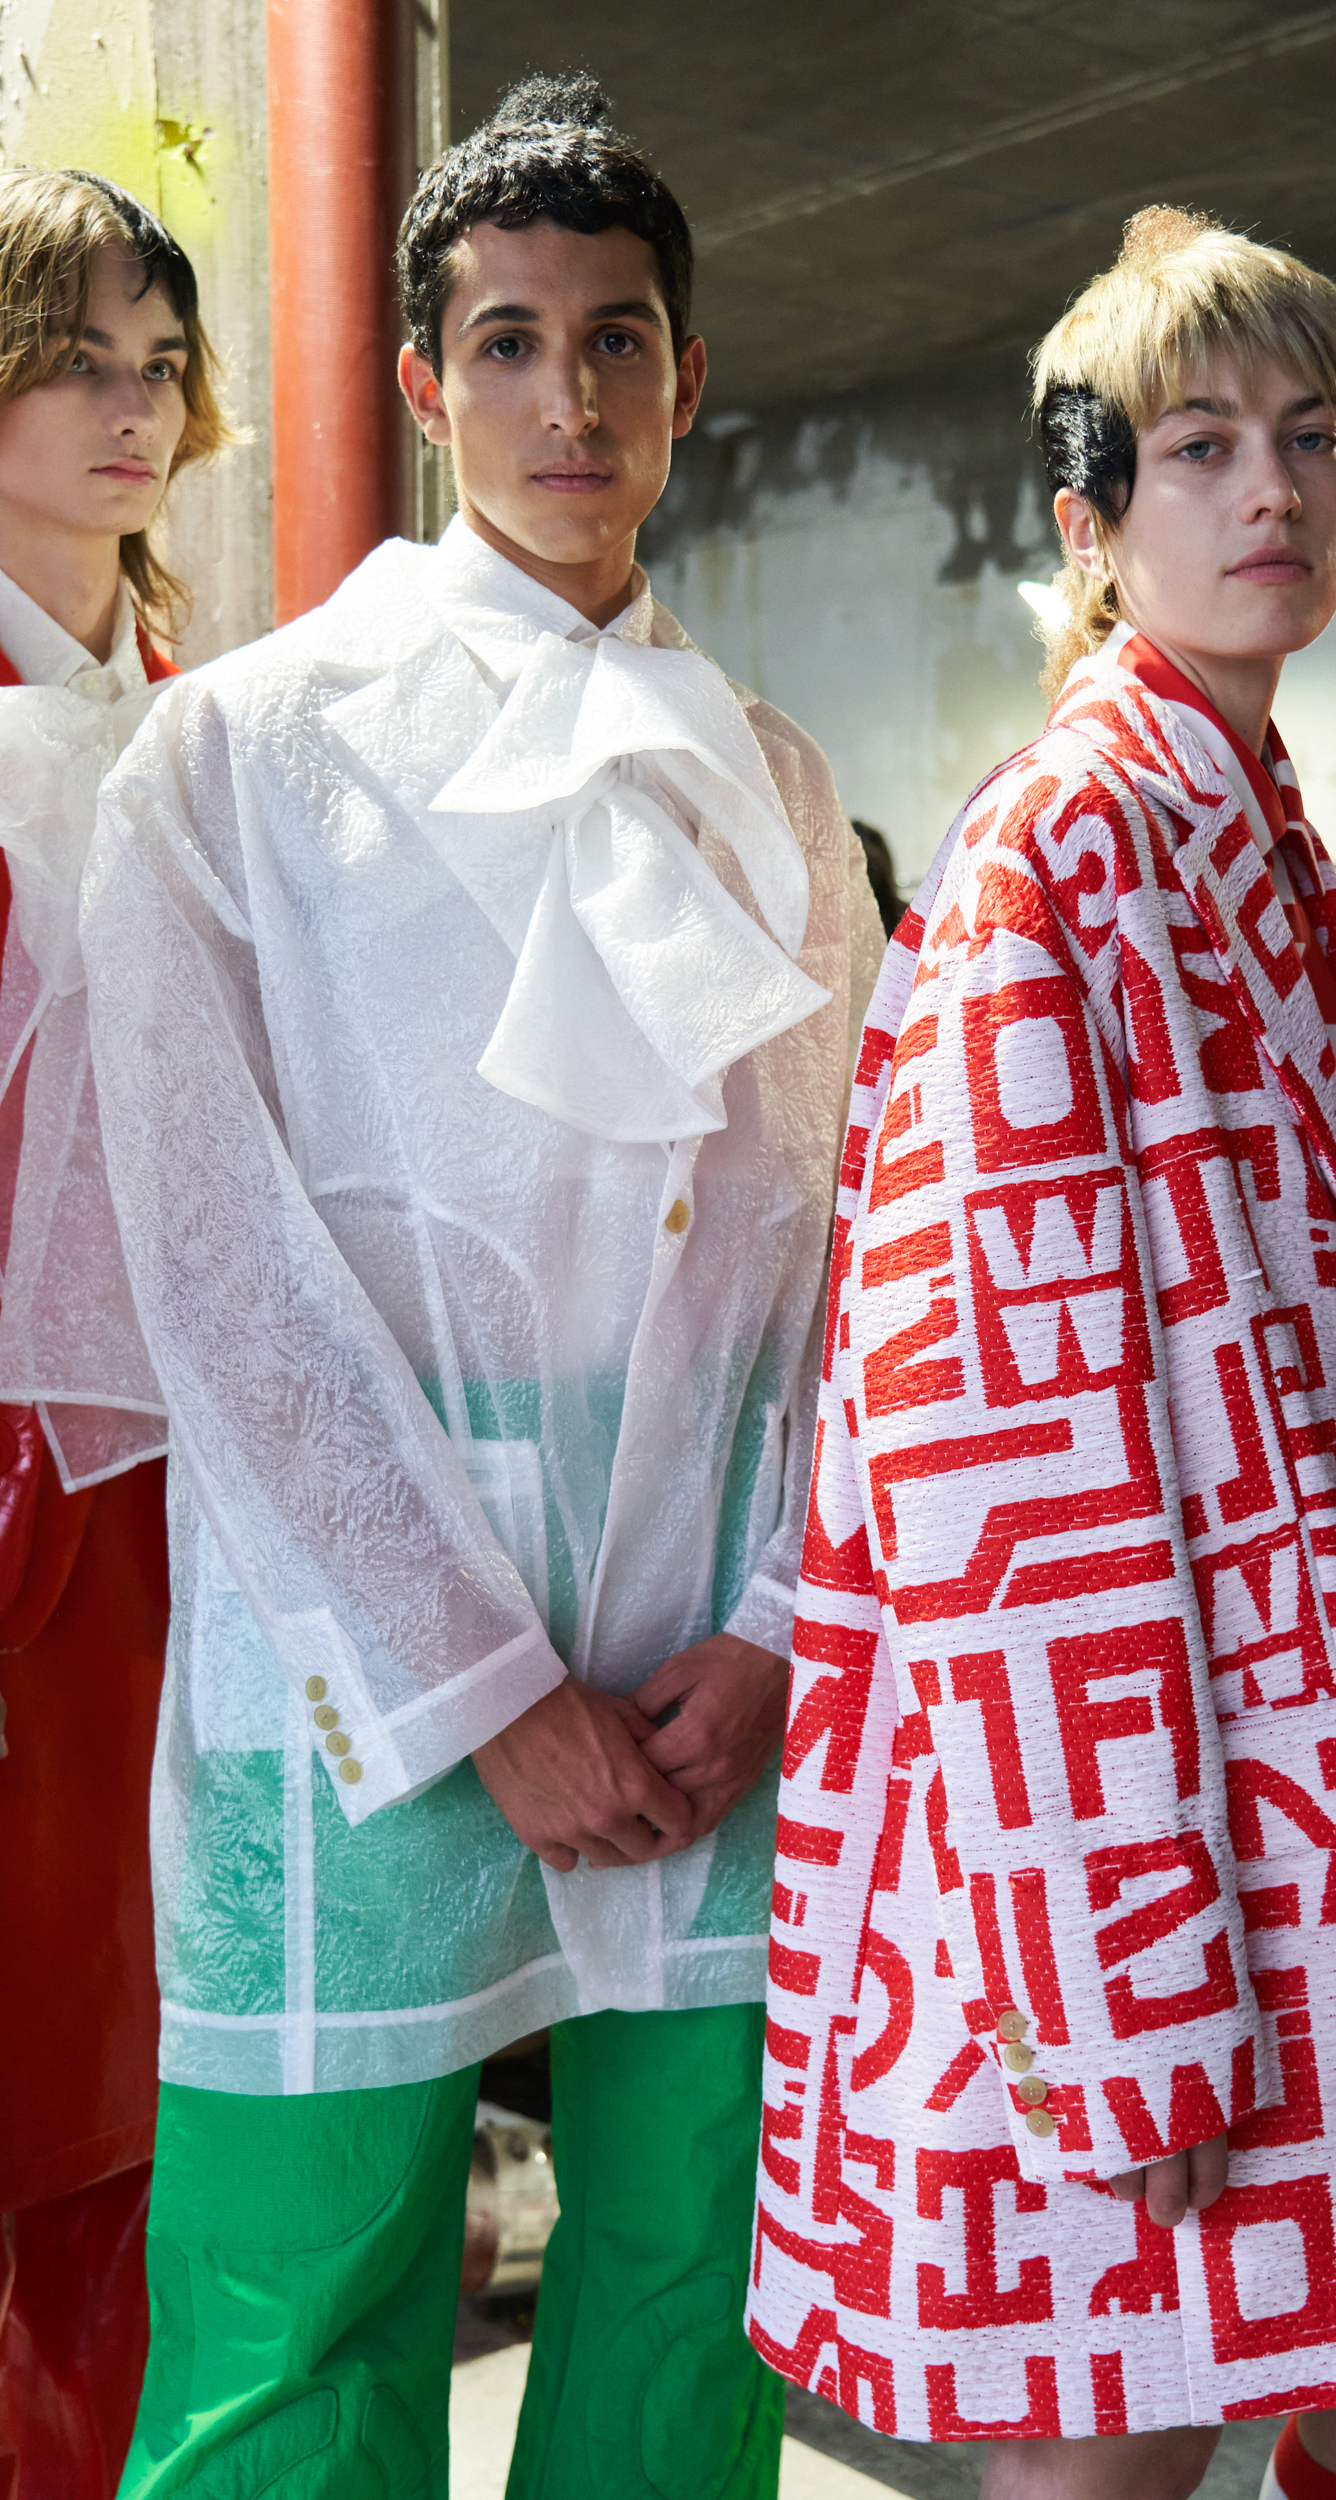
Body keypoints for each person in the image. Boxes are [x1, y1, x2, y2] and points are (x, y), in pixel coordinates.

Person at [747, 208, 1336, 2500]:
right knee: (1116, 2418)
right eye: (1201, 444)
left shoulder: (1261, 833)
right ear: (1087, 519)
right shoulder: (1053, 849)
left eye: (1316, 440)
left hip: (1329, 1767)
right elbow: (974, 1424)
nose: (1275, 494)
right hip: (1138, 1814)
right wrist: (1111, 1975)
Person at [90, 72, 882, 2500]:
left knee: (692, 2266)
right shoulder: (234, 756)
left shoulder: (767, 772)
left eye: (619, 342)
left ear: (686, 381)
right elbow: (208, 1262)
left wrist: (773, 1613)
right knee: (297, 2296)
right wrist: (477, 1683)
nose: (572, 399)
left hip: (703, 1627)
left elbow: (858, 1246)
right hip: (366, 1626)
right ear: (427, 384)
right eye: (513, 345)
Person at [0, 169, 230, 2498]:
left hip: (200, 1499)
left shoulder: (189, 718)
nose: (130, 403)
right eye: (77, 353)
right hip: (21, 1514)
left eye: (158, 361)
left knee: (140, 2113)